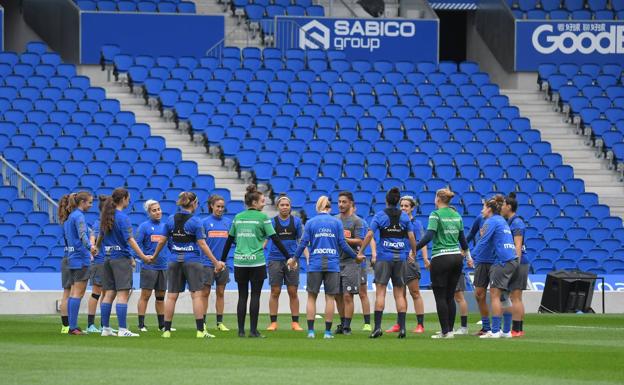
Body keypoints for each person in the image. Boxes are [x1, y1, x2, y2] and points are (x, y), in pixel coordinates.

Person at [220, 185, 292, 338]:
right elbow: (275, 239)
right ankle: (253, 331)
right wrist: (289, 257)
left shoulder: (238, 217)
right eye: (262, 201)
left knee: (242, 296)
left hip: (240, 262)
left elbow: (229, 240)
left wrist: (222, 260)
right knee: (255, 296)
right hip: (256, 262)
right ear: (254, 202)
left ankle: (240, 331)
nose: (264, 203)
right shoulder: (263, 218)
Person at [151, 191, 225, 339]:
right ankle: (200, 331)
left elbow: (161, 241)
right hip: (192, 260)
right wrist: (215, 262)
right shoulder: (196, 221)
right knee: (196, 295)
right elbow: (202, 244)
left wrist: (154, 256)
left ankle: (166, 331)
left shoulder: (171, 219)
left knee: (171, 296)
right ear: (194, 204)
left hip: (173, 260)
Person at [292, 196, 362, 339]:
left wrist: (294, 259)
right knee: (330, 298)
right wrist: (356, 256)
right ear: (329, 208)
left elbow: (303, 243)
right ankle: (327, 332)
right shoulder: (336, 223)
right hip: (332, 264)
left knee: (311, 297)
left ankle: (311, 331)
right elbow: (343, 244)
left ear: (318, 207)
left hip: (315, 264)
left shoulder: (311, 223)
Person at [358, 187, 418, 339]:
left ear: (386, 200)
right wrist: (413, 252)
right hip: (400, 258)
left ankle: (377, 328)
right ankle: (403, 328)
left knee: (381, 292)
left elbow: (370, 234)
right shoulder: (404, 217)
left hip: (384, 257)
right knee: (399, 294)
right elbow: (411, 237)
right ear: (398, 201)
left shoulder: (380, 215)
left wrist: (361, 251)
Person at [413, 188, 472, 339]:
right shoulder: (456, 215)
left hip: (441, 257)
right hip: (457, 258)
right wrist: (468, 255)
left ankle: (445, 332)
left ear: (438, 199)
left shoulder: (435, 214)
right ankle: (449, 330)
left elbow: (429, 236)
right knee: (450, 296)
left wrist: (414, 249)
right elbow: (463, 240)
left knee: (440, 296)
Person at [95, 188, 152, 337]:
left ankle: (105, 328)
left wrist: (96, 248)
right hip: (120, 258)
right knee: (122, 294)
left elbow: (100, 236)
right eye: (128, 198)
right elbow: (130, 240)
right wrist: (143, 256)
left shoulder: (106, 216)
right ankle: (122, 329)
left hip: (107, 258)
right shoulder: (123, 217)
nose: (129, 201)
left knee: (108, 294)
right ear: (124, 199)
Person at [473, 195, 518, 339]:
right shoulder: (502, 221)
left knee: (495, 296)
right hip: (512, 259)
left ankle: (495, 330)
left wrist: (472, 255)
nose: (482, 211)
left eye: (484, 207)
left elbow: (483, 240)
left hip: (502, 261)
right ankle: (506, 331)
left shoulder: (491, 221)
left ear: (490, 209)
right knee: (504, 297)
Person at [387, 196, 428, 334]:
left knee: (415, 292)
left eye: (406, 206)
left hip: (409, 261)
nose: (403, 208)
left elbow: (422, 243)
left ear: (412, 208)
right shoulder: (396, 222)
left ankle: (420, 325)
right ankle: (399, 324)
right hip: (397, 260)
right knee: (400, 293)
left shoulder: (416, 224)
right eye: (402, 205)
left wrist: (425, 258)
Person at [265, 194, 305, 332]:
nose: (284, 207)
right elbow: (265, 241)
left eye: (287, 205)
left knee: (292, 291)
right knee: (274, 291)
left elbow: (302, 242)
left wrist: (307, 257)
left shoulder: (297, 222)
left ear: (290, 207)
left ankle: (295, 323)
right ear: (277, 207)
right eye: (282, 205)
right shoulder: (272, 222)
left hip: (292, 261)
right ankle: (273, 323)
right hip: (275, 259)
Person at [64, 191, 96, 335]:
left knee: (73, 293)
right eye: (89, 202)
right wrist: (91, 248)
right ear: (82, 202)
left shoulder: (70, 216)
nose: (91, 205)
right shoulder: (79, 216)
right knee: (78, 293)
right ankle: (73, 327)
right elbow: (83, 235)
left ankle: (72, 325)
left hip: (72, 257)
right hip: (81, 257)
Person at [135, 199, 169, 332]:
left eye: (159, 209)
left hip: (163, 266)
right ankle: (141, 324)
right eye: (154, 210)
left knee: (160, 297)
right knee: (145, 296)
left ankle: (162, 325)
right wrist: (143, 257)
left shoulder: (165, 227)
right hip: (149, 267)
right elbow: (136, 245)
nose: (158, 212)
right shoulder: (144, 227)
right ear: (149, 212)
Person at [334, 191, 364, 336]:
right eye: (339, 201)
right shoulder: (334, 220)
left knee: (347, 295)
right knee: (337, 295)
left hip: (350, 262)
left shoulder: (356, 221)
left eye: (344, 202)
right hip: (335, 262)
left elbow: (360, 241)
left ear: (351, 203)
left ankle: (347, 326)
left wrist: (343, 240)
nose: (341, 204)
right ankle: (342, 322)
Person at [201, 194, 233, 332]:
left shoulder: (228, 222)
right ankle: (202, 322)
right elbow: (201, 243)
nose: (220, 209)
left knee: (221, 292)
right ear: (211, 206)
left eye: (222, 207)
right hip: (207, 263)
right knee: (205, 293)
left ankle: (219, 322)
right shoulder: (204, 223)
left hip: (223, 264)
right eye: (218, 206)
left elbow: (233, 241)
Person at [501, 192, 528, 337]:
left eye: (503, 205)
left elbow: (518, 245)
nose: (502, 208)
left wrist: (515, 264)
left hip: (518, 262)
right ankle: (519, 328)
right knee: (516, 296)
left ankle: (517, 329)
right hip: (519, 262)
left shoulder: (517, 223)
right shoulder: (511, 222)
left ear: (509, 207)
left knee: (515, 297)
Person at [86, 195, 108, 333]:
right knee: (96, 292)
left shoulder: (106, 222)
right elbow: (93, 237)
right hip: (100, 261)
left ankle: (103, 324)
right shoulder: (100, 222)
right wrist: (93, 247)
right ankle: (90, 325)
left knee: (106, 294)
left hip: (108, 261)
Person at [355, 205, 375, 332]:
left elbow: (370, 236)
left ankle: (367, 323)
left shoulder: (361, 222)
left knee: (363, 292)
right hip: (344, 262)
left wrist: (373, 253)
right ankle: (344, 323)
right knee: (344, 295)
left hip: (360, 262)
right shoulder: (339, 220)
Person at [58, 193, 75, 334]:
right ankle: (71, 325)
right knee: (72, 293)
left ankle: (65, 325)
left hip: (65, 256)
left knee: (66, 293)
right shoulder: (73, 220)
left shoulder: (63, 221)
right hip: (73, 258)